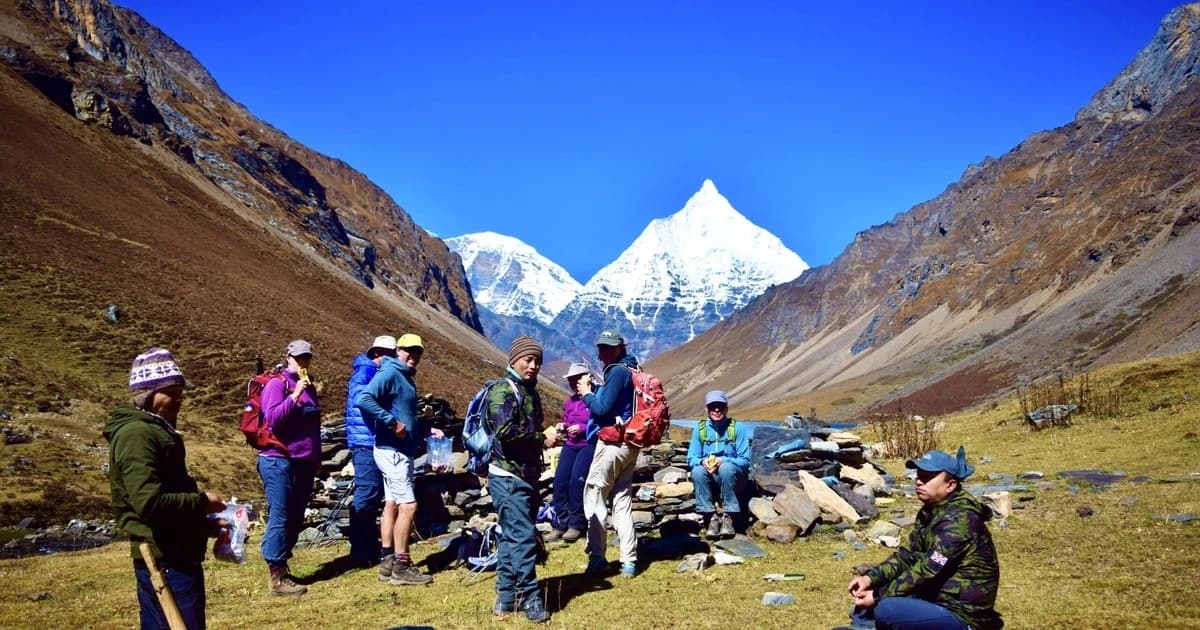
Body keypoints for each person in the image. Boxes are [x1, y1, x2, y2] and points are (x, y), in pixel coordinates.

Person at [103, 347, 226, 629]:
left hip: (173, 553)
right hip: (166, 559)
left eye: (181, 392)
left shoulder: (153, 429)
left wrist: (202, 524)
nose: (179, 400)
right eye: (172, 392)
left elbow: (162, 499)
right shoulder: (137, 435)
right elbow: (149, 502)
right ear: (148, 394)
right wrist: (201, 502)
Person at [841, 446, 1003, 630]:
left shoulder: (960, 521)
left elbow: (928, 568)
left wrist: (878, 596)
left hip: (961, 614)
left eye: (927, 477)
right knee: (868, 608)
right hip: (935, 598)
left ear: (950, 485)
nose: (919, 482)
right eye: (919, 475)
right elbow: (906, 556)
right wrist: (870, 579)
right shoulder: (931, 511)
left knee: (886, 608)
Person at [487, 336, 562, 623]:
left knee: (510, 537)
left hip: (525, 475)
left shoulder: (528, 391)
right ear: (514, 359)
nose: (533, 366)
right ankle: (531, 599)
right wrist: (542, 439)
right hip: (508, 476)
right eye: (528, 359)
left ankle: (505, 598)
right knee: (522, 539)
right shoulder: (502, 390)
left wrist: (546, 438)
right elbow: (504, 432)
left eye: (538, 361)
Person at [356, 333, 442, 586]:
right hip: (393, 450)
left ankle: (386, 561)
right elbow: (364, 399)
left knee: (392, 504)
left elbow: (405, 413)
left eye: (418, 352)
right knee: (408, 506)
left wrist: (425, 430)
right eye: (409, 351)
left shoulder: (403, 376)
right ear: (398, 351)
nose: (413, 356)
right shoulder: (391, 373)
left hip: (394, 449)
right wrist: (391, 423)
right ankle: (402, 566)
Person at [257, 339, 322, 596]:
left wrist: (316, 458)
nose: (303, 362)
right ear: (288, 358)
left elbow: (312, 427)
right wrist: (294, 396)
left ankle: (281, 564)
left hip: (304, 461)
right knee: (281, 515)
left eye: (307, 358)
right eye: (299, 358)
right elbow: (272, 419)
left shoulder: (309, 387)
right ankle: (276, 574)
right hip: (278, 459)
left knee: (295, 516)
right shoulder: (278, 384)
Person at [574, 329, 641, 578]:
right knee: (622, 500)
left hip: (612, 443)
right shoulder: (634, 369)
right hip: (631, 441)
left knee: (595, 494)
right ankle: (629, 561)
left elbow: (602, 409)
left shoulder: (617, 371)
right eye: (601, 347)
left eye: (608, 347)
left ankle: (598, 556)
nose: (603, 353)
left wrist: (586, 393)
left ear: (619, 348)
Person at [344, 335, 397, 567]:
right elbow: (361, 400)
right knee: (367, 492)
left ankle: (367, 545)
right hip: (365, 441)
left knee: (372, 493)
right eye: (390, 354)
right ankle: (361, 548)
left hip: (369, 438)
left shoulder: (369, 371)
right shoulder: (365, 372)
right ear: (378, 354)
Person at [686, 390, 750, 540]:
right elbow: (691, 458)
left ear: (726, 409)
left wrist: (724, 460)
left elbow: (745, 461)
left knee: (726, 468)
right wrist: (702, 462)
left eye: (720, 406)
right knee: (697, 471)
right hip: (710, 480)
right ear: (707, 409)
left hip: (733, 479)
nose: (716, 410)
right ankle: (711, 518)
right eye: (712, 406)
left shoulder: (737, 428)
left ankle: (729, 518)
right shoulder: (700, 429)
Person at [546, 363, 597, 543]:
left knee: (577, 482)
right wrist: (563, 426)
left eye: (577, 379)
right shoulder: (570, 401)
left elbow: (600, 422)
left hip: (587, 444)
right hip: (570, 443)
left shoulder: (594, 398)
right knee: (560, 480)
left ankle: (576, 524)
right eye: (571, 380)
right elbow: (567, 421)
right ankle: (560, 523)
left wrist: (582, 428)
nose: (573, 383)